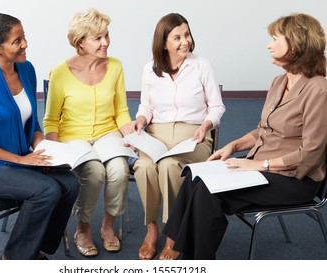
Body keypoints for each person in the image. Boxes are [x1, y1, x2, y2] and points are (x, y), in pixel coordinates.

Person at [162, 13, 327, 260]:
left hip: (295, 180)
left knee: (208, 192)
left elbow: (312, 153)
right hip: (263, 167)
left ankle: (198, 263)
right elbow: (263, 129)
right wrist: (233, 146)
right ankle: (176, 247)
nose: (268, 45)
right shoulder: (279, 82)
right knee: (194, 176)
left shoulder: (319, 89)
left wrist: (260, 164)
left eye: (275, 39)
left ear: (296, 45)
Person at [0, 13, 80, 260]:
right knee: (46, 191)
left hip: (18, 157)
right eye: (17, 41)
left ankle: (38, 250)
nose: (25, 44)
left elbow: (31, 121)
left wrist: (40, 147)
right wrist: (20, 160)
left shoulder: (26, 69)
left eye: (24, 37)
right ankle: (12, 260)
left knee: (70, 183)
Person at [131, 13, 225, 260]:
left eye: (187, 34)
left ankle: (173, 237)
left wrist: (206, 126)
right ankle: (152, 229)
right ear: (163, 43)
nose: (185, 41)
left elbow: (217, 107)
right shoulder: (149, 70)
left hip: (192, 135)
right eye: (177, 37)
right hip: (156, 135)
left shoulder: (202, 65)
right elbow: (146, 107)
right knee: (143, 167)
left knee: (171, 166)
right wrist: (141, 119)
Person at [43, 8, 133, 257]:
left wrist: (131, 135)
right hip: (73, 136)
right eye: (98, 38)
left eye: (107, 35)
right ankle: (82, 228)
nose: (106, 42)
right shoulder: (60, 72)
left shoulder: (115, 66)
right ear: (80, 41)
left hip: (107, 133)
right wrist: (56, 153)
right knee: (93, 172)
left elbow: (121, 111)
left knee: (118, 169)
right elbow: (50, 120)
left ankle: (107, 225)